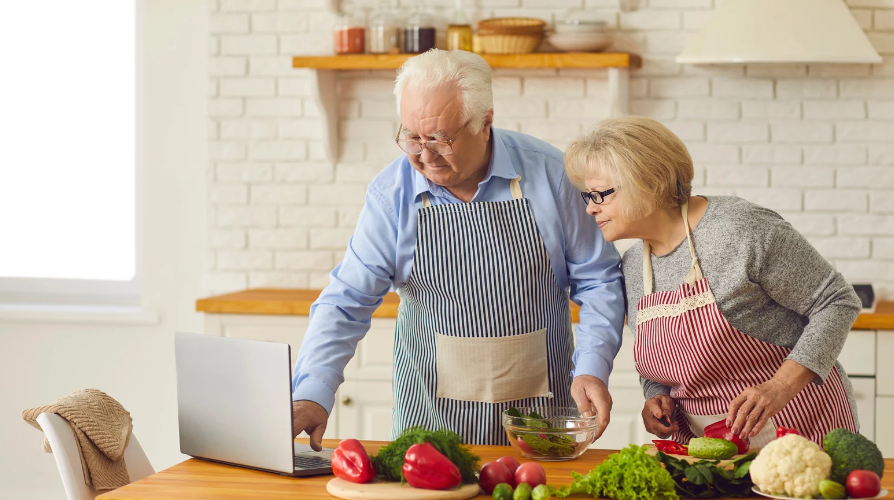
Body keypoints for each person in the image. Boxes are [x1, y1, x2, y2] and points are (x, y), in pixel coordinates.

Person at [290, 50, 625, 449]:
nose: (425, 156)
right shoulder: (391, 195)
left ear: (485, 121)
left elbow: (599, 280)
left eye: (440, 138)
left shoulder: (550, 175)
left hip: (542, 423)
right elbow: (346, 301)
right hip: (429, 425)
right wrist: (313, 389)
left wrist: (592, 367)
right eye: (411, 137)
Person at [564, 116, 862, 447]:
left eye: (600, 195)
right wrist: (656, 396)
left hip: (803, 431)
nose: (591, 209)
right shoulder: (633, 267)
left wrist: (778, 387)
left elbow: (836, 302)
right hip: (708, 450)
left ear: (646, 182)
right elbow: (660, 363)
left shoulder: (741, 229)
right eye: (586, 196)